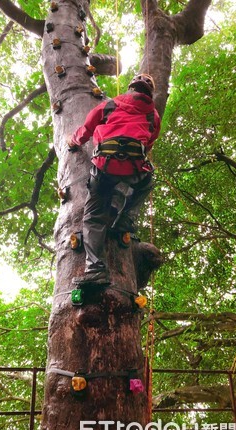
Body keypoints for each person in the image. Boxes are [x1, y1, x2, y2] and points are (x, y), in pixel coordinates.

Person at [67, 74, 161, 285]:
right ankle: (126, 218)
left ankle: (95, 269)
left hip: (104, 168)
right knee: (147, 181)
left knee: (93, 217)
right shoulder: (153, 116)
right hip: (134, 169)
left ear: (131, 88)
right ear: (149, 94)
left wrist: (73, 142)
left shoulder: (110, 104)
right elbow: (149, 144)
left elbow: (87, 129)